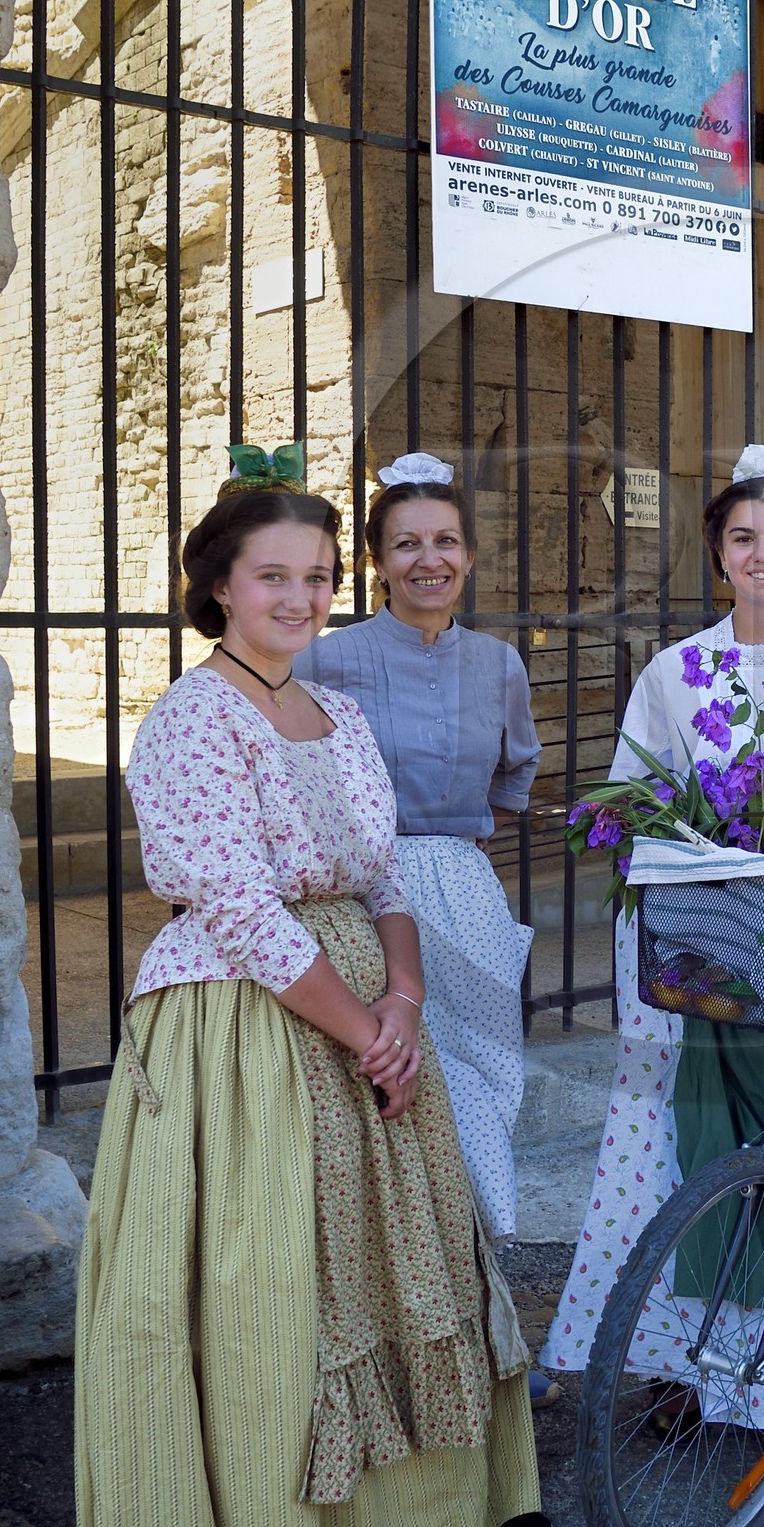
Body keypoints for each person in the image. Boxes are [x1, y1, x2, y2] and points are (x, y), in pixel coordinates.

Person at [74, 456, 544, 1527]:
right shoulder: (190, 719)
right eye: (273, 576)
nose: (299, 597)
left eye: (318, 577)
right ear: (219, 588)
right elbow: (236, 905)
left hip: (364, 1005)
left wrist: (405, 1004)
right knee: (294, 1284)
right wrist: (360, 1028)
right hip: (252, 1022)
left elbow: (384, 873)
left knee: (409, 1258)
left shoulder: (334, 713)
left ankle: (433, 1521)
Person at [541, 439, 764, 1407]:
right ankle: (697, 1369)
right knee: (695, 1151)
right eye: (743, 537)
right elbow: (635, 800)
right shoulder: (677, 671)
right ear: (719, 551)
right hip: (710, 953)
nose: (761, 554)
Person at [297, 454, 540, 1253]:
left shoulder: (499, 664)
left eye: (445, 541)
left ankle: (478, 1273)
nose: (428, 559)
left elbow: (519, 769)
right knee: (392, 1084)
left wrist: (462, 833)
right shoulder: (325, 659)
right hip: (364, 900)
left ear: (469, 554)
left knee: (486, 1078)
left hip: (466, 894)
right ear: (377, 560)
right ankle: (406, 1277)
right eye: (406, 543)